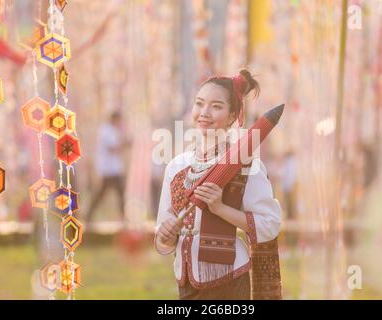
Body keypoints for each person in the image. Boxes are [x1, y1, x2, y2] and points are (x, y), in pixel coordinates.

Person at [154, 69, 282, 300]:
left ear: (233, 116)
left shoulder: (245, 166)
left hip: (228, 281)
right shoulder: (176, 167)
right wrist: (167, 233)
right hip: (186, 281)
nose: (204, 113)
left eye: (216, 106)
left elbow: (269, 224)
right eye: (199, 103)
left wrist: (220, 208)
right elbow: (164, 233)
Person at [86, 111, 130, 225]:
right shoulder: (106, 130)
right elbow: (112, 148)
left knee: (111, 193)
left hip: (112, 169)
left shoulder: (111, 130)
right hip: (109, 170)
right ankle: (122, 217)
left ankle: (89, 216)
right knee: (111, 193)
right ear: (115, 119)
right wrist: (125, 143)